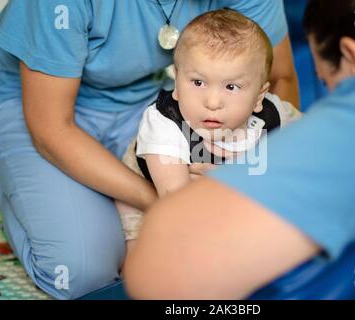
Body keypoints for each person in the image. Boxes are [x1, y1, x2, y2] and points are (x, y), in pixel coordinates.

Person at [123, 0, 355, 299]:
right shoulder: (164, 122)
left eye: (326, 82)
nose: (213, 101)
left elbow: (155, 273)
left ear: (354, 60)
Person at [0, 0, 299, 299]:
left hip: (139, 95)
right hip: (38, 105)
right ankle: (20, 196)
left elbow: (278, 78)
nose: (215, 101)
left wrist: (263, 169)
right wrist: (173, 203)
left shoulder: (196, 103)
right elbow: (51, 129)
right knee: (84, 274)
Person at [115, 9, 300, 241]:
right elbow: (180, 208)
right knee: (150, 250)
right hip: (156, 202)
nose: (212, 102)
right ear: (178, 83)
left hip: (224, 202)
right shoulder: (165, 123)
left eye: (231, 87)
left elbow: (312, 146)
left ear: (259, 96)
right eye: (198, 82)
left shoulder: (273, 115)